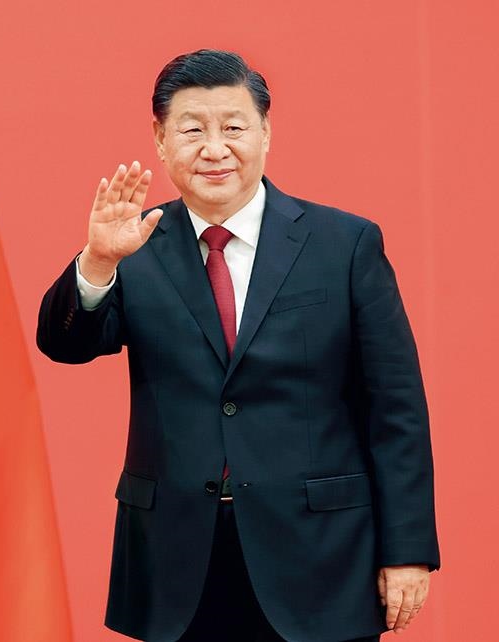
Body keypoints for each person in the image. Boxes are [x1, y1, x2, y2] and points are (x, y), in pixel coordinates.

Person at [36, 49, 439, 642]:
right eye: (192, 130)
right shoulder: (134, 243)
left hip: (321, 555)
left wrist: (407, 551)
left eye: (233, 127)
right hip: (177, 562)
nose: (214, 149)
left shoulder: (344, 244)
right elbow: (64, 344)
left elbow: (396, 407)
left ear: (266, 132)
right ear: (160, 139)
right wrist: (97, 262)